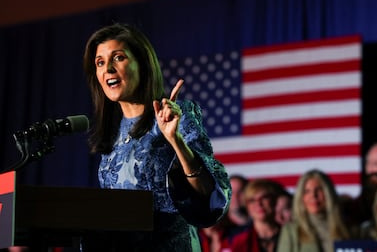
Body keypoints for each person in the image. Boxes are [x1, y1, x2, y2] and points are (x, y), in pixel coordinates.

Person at [82, 23, 231, 251]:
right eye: (100, 62)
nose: (108, 69)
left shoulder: (177, 115)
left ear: (142, 63)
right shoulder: (112, 135)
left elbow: (210, 198)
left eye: (118, 58)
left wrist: (175, 140)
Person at [277, 169, 351, 252]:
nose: (313, 196)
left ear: (328, 193)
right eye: (307, 191)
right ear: (301, 197)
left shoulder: (347, 229)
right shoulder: (290, 231)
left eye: (319, 190)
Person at [231, 179, 285, 252]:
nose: (258, 204)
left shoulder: (291, 234)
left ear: (274, 201)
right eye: (252, 200)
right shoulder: (238, 240)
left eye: (264, 198)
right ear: (246, 206)